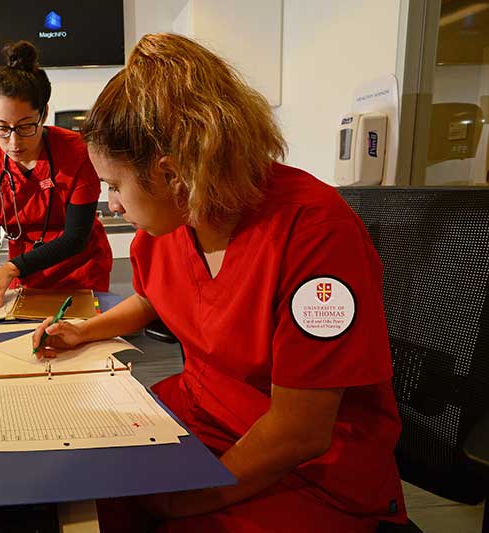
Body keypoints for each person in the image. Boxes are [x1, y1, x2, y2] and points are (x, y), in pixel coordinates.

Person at [32, 33, 407, 532]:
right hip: (201, 417)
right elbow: (154, 298)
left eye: (116, 185)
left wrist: (188, 499)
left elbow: (301, 432)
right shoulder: (172, 222)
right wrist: (84, 330)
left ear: (172, 174)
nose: (113, 205)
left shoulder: (314, 232)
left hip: (304, 470)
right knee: (76, 496)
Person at [0, 41, 112, 312]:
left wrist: (12, 267)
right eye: (2, 128)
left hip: (80, 271)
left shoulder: (76, 153)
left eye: (26, 126)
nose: (14, 141)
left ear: (43, 114)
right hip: (27, 274)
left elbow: (76, 236)